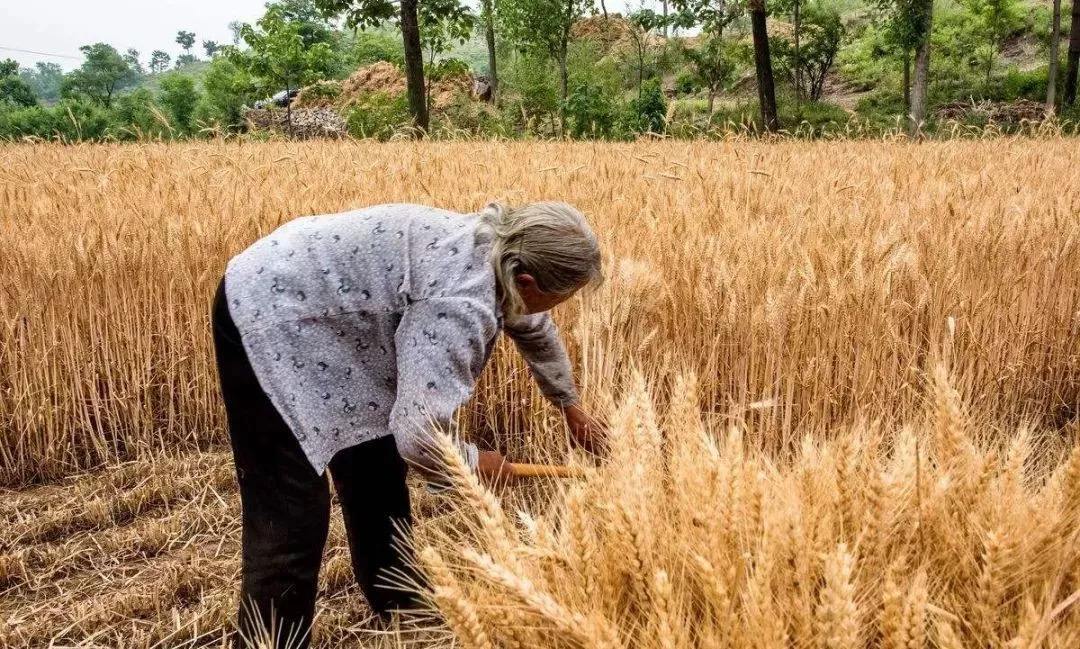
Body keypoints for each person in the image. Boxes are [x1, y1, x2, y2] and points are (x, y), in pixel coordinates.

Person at [210, 201, 605, 647]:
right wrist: (473, 463)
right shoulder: (460, 303)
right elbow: (419, 436)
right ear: (527, 280)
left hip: (330, 310)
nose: (553, 308)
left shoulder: (499, 250)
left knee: (376, 462)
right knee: (293, 507)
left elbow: (533, 323)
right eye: (560, 296)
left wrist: (570, 406)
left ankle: (399, 600)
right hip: (271, 308)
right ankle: (270, 641)